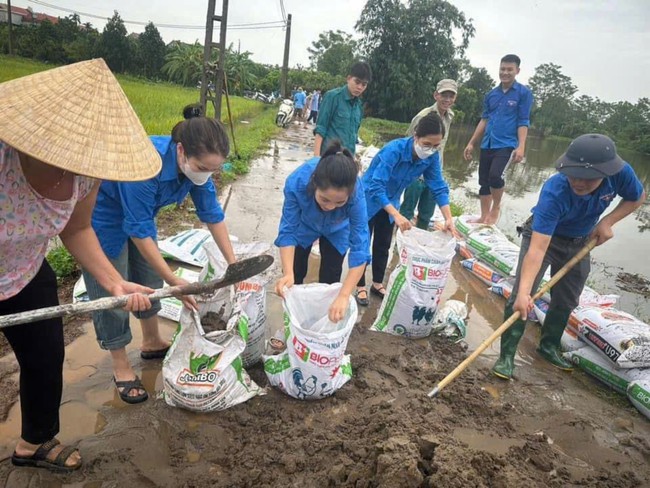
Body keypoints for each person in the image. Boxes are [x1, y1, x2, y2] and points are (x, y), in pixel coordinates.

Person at [0, 59, 159, 472]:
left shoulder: (86, 172)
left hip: (27, 272)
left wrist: (114, 282)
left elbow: (77, 227)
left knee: (46, 359)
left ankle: (34, 443)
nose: (77, 159)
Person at [83, 104, 237, 404]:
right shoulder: (146, 162)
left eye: (214, 170)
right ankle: (120, 365)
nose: (207, 175)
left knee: (148, 277)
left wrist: (234, 264)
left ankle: (152, 340)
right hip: (104, 217)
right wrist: (174, 281)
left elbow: (212, 214)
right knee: (115, 291)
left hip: (142, 217)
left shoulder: (197, 172)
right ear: (181, 151)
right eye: (203, 168)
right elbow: (137, 228)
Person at [492, 134, 646, 380]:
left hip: (580, 241)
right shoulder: (555, 191)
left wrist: (608, 221)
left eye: (588, 178)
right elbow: (538, 249)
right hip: (544, 238)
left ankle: (548, 346)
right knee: (523, 293)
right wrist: (523, 293)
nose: (579, 182)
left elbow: (637, 197)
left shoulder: (620, 173)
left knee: (567, 298)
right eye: (573, 174)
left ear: (606, 173)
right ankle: (506, 355)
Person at [355, 113, 456, 305]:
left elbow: (438, 185)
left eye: (436, 146)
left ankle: (377, 283)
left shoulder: (431, 158)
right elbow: (377, 186)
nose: (431, 149)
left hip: (391, 199)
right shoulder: (393, 151)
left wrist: (448, 217)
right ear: (416, 136)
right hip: (368, 198)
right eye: (427, 144)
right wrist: (397, 214)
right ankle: (359, 285)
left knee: (383, 243)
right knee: (362, 243)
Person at [275, 141, 370, 322]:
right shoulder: (297, 182)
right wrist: (287, 273)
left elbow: (360, 248)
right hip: (306, 225)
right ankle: (294, 321)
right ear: (314, 184)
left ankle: (322, 321)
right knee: (294, 273)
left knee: (330, 280)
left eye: (339, 203)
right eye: (324, 199)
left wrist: (344, 295)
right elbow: (288, 230)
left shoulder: (357, 193)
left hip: (338, 229)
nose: (330, 207)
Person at [463, 54, 534, 224]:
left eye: (510, 69)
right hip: (488, 142)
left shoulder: (523, 93)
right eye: (503, 69)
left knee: (495, 176)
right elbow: (484, 119)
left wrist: (521, 146)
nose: (505, 72)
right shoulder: (491, 95)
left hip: (507, 144)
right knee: (484, 181)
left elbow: (523, 121)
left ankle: (496, 208)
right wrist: (471, 142)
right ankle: (483, 216)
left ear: (517, 71)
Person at [401, 79, 458, 230]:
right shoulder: (423, 116)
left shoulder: (449, 116)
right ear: (436, 95)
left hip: (434, 170)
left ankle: (419, 242)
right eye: (443, 95)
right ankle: (401, 245)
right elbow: (409, 142)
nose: (447, 99)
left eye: (451, 96)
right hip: (416, 173)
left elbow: (440, 146)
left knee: (426, 213)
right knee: (407, 211)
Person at [314, 62, 372, 156]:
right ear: (348, 78)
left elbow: (354, 136)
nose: (359, 87)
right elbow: (320, 130)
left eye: (364, 84)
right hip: (329, 159)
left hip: (346, 162)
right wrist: (315, 160)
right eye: (357, 82)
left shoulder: (358, 106)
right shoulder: (332, 97)